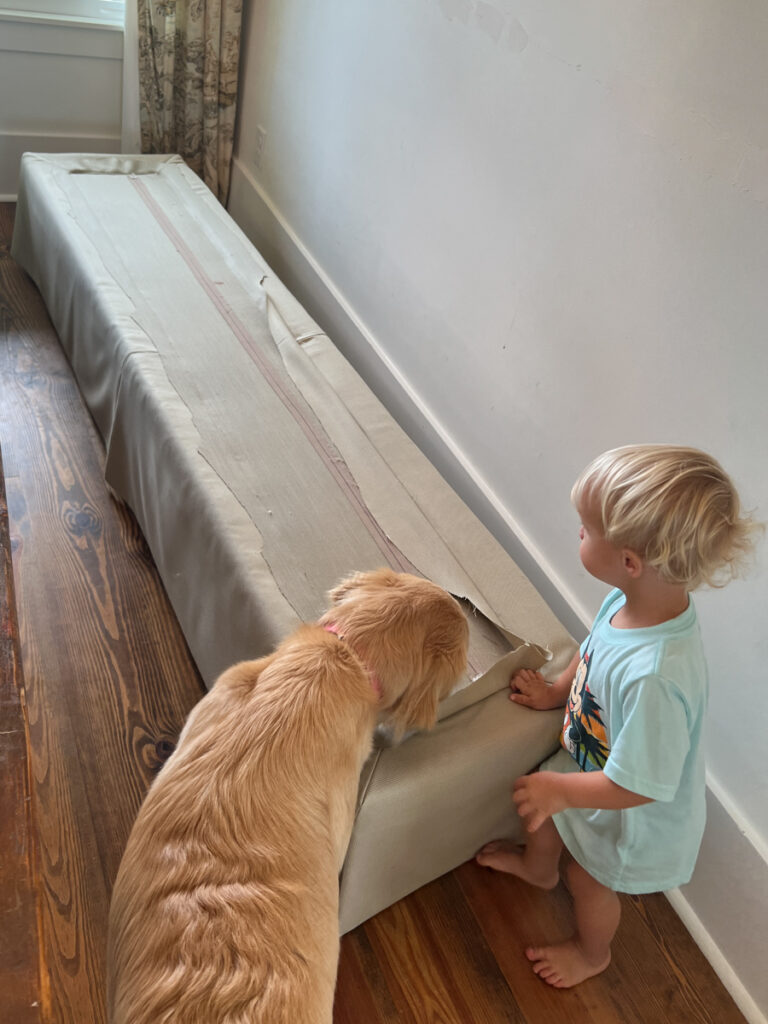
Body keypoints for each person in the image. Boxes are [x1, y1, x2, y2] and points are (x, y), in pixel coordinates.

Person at [476, 444, 760, 989]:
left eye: (585, 529)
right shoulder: (627, 602)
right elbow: (593, 651)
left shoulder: (658, 676)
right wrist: (558, 692)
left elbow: (639, 785)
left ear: (630, 561)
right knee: (551, 811)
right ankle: (538, 870)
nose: (577, 533)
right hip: (593, 756)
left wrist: (562, 791)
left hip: (630, 813)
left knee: (586, 878)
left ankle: (592, 952)